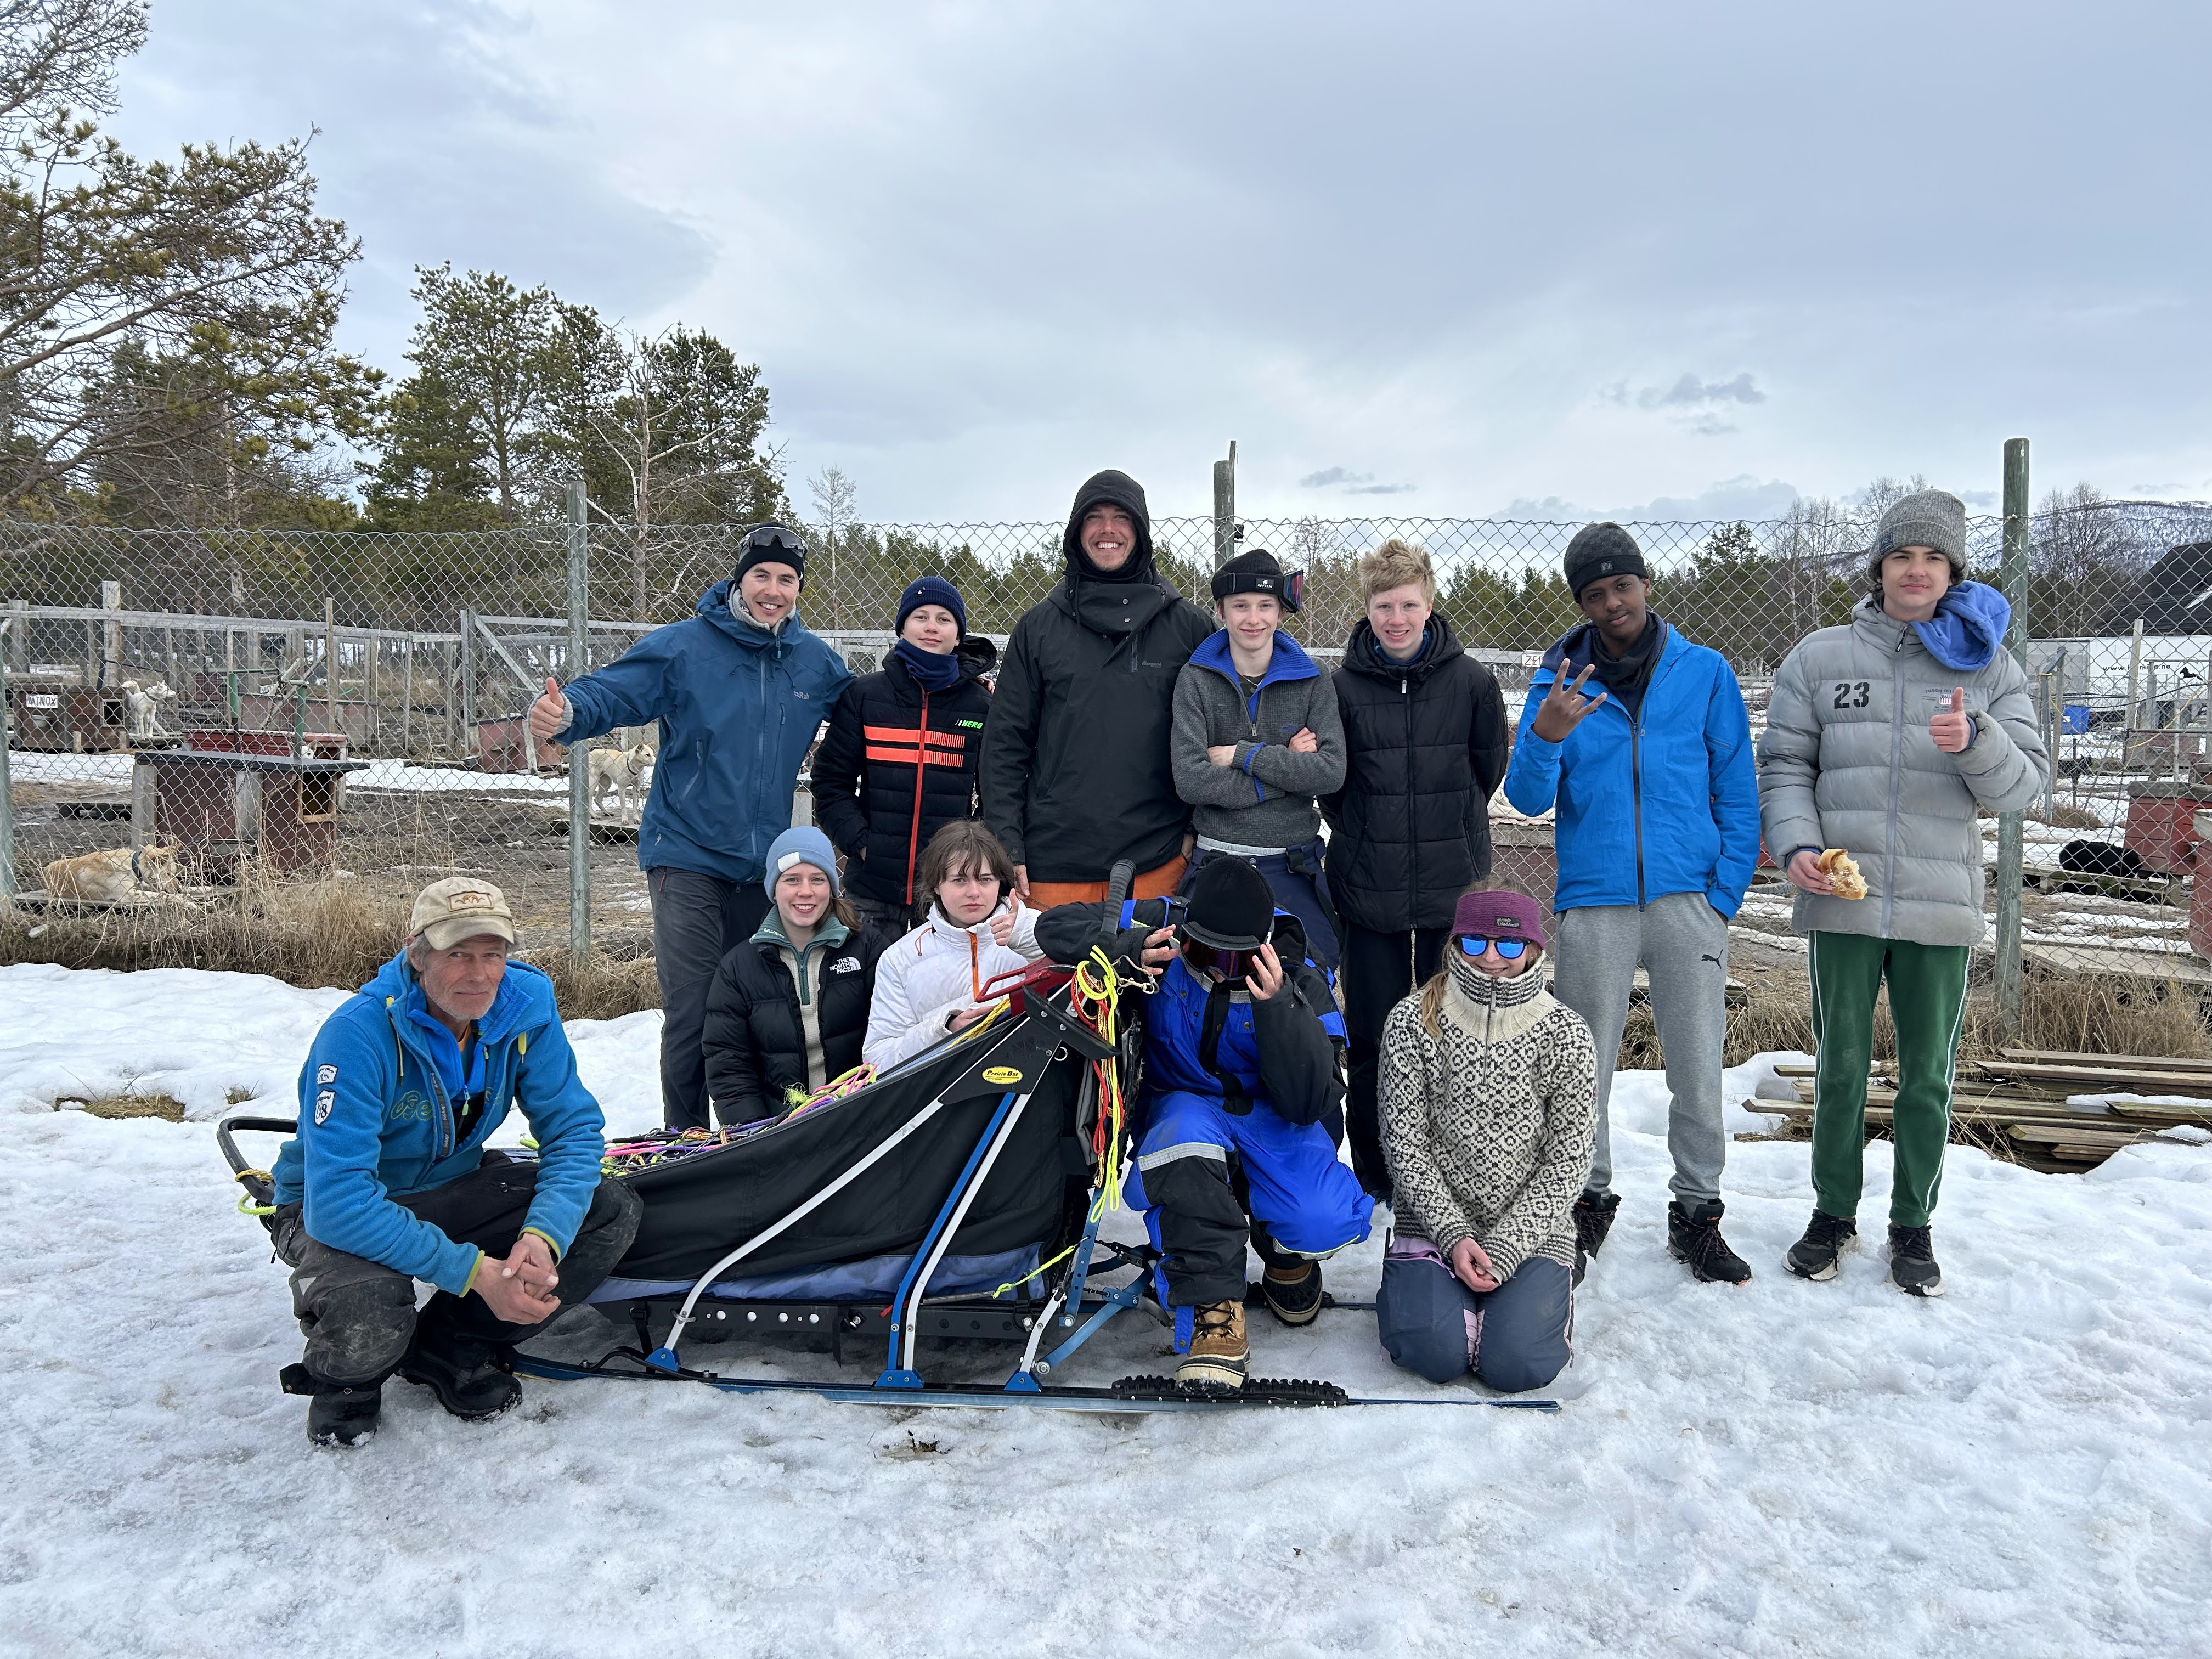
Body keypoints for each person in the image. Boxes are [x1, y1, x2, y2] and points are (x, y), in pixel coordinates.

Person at [1758, 489, 2047, 1297]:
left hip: (1938, 903)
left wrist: (1976, 740)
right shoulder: (1821, 657)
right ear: (1879, 567)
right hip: (1843, 901)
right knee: (1841, 1064)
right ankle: (1832, 1214)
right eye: (1900, 556)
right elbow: (1785, 765)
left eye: (1932, 559)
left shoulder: (1986, 663)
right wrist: (1798, 845)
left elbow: (2022, 786)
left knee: (1928, 1073)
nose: (1915, 571)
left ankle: (1913, 1224)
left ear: (1951, 573)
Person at [266, 878, 643, 1447]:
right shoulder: (359, 1033)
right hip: (331, 1206)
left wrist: (542, 1238)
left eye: (492, 954)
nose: (478, 973)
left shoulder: (524, 1006)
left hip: (451, 1183)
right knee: (369, 1312)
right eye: (457, 954)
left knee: (608, 1208)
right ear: (417, 954)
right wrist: (477, 1274)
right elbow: (340, 1205)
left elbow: (572, 1130)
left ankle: (448, 1346)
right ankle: (349, 1384)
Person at [527, 523, 853, 1131]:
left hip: (763, 867)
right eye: (762, 576)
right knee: (696, 1005)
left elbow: (868, 710)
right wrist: (566, 712)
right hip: (687, 853)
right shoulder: (687, 647)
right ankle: (685, 1134)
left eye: (787, 580)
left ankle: (753, 1132)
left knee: (758, 1003)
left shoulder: (813, 662)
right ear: (740, 578)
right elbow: (616, 691)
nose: (773, 590)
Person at [1501, 522, 1759, 1284]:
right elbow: (1525, 797)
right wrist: (1546, 735)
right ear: (1581, 603)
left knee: (1697, 1065)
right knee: (1584, 1069)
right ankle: (1585, 1201)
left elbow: (1737, 791)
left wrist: (1722, 896)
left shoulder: (1704, 672)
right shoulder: (1563, 683)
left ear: (1646, 584)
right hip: (1597, 900)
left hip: (1689, 900)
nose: (1613, 602)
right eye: (1595, 593)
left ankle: (1698, 1213)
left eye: (1623, 585)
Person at [1035, 857, 1374, 1392]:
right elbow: (1051, 929)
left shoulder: (1303, 971)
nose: (1217, 968)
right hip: (1183, 1104)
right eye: (1201, 952)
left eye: (1231, 958)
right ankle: (1214, 1309)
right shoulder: (1161, 921)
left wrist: (1279, 1007)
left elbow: (1313, 1102)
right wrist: (1124, 949)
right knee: (1180, 1144)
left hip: (1275, 1116)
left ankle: (1285, 1258)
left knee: (1322, 1217)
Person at [1323, 538, 1509, 1201]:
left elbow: (1487, 770)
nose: (1395, 618)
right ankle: (1377, 1173)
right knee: (1374, 1037)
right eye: (1383, 606)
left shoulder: (1473, 683)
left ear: (1430, 604)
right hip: (1366, 888)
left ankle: (1449, 1170)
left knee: (1452, 1034)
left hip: (1449, 888)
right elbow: (1334, 788)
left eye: (1407, 604)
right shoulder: (1339, 688)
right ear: (1367, 610)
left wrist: (1449, 828)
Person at [1376, 890, 1596, 1392]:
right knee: (1434, 1354)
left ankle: (1527, 1298)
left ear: (1535, 950)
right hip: (1433, 1224)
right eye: (1475, 941)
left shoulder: (1566, 1033)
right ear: (1455, 945)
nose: (1491, 957)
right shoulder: (1413, 1020)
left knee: (1517, 1366)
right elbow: (1405, 1143)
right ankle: (1439, 1297)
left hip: (1531, 1231)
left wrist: (1506, 1246)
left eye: (1509, 943)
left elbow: (1568, 1160)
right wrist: (1454, 1236)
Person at [980, 469, 1214, 909]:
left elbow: (1215, 736)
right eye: (1095, 518)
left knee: (1146, 980)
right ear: (1076, 532)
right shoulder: (1039, 627)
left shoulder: (1189, 626)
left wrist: (1192, 836)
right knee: (1054, 981)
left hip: (1157, 860)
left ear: (1141, 532)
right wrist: (1007, 845)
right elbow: (1005, 745)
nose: (1108, 530)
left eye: (1122, 517)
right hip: (1054, 865)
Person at [1170, 548, 1346, 970]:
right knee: (1205, 978)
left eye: (1266, 605)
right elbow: (1191, 780)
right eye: (1241, 606)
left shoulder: (1313, 677)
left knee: (1311, 974)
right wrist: (1283, 770)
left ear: (1282, 612)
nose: (1254, 619)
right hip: (1215, 862)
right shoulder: (1195, 679)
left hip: (1291, 863)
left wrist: (1241, 754)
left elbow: (1330, 772)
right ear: (1221, 610)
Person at [812, 575, 998, 935]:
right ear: (902, 627)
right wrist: (864, 845)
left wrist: (969, 853)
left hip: (949, 892)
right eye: (921, 616)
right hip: (872, 888)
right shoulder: (864, 696)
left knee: (948, 991)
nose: (932, 627)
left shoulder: (982, 707)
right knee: (867, 988)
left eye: (945, 619)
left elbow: (998, 792)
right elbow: (830, 782)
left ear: (958, 636)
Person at [699, 827, 891, 1127]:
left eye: (818, 879)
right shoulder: (738, 968)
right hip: (777, 1127)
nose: (806, 891)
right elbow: (729, 1066)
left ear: (832, 886)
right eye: (792, 880)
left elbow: (894, 1033)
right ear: (773, 889)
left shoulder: (868, 949)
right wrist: (757, 1135)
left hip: (860, 1115)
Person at [865, 820, 1045, 1069]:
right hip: (941, 1094)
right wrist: (945, 1029)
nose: (974, 892)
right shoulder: (900, 958)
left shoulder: (1041, 931)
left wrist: (1028, 936)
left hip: (1030, 1084)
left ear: (1000, 883)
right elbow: (877, 1061)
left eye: (985, 879)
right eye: (959, 880)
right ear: (937, 885)